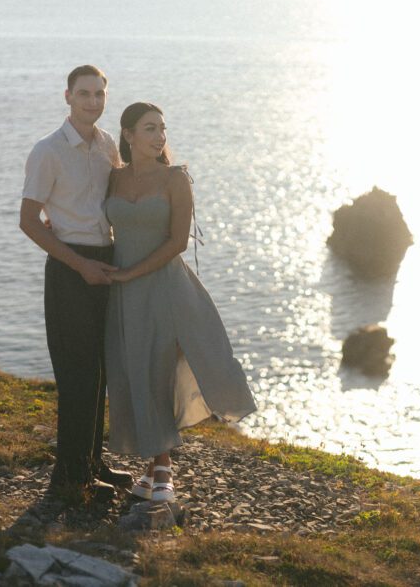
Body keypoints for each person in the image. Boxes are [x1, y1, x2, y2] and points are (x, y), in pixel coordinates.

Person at [104, 102, 257, 502]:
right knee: (132, 371)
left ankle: (165, 472)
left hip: (165, 288)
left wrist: (128, 274)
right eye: (150, 129)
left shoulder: (176, 179)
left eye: (162, 129)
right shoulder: (113, 179)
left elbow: (176, 243)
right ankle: (150, 468)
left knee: (160, 371)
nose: (159, 137)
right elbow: (95, 219)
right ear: (129, 134)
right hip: (123, 291)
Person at [19, 65, 134, 503]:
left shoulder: (107, 145)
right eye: (84, 93)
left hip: (105, 262)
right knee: (76, 375)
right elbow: (29, 221)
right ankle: (68, 480)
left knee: (101, 371)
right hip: (70, 269)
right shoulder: (48, 151)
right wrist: (78, 263)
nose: (92, 101)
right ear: (67, 96)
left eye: (99, 94)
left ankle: (92, 464)